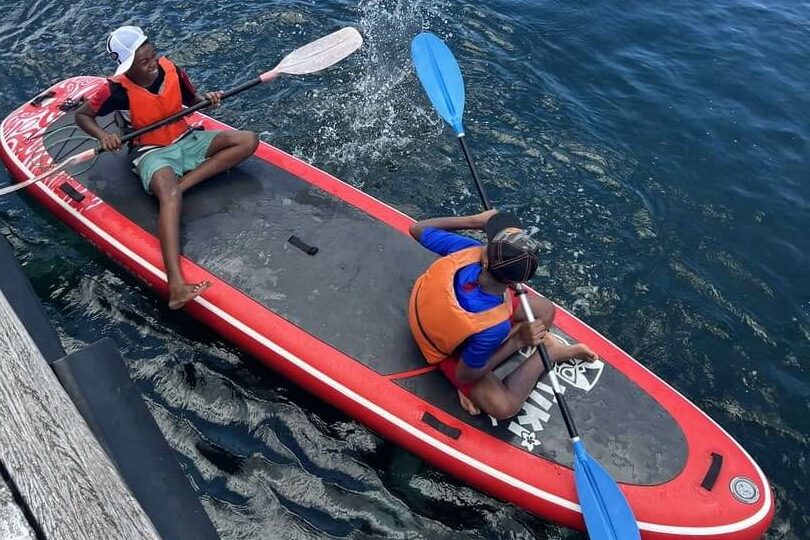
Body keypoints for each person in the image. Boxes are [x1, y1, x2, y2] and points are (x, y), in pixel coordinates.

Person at [76, 25, 258, 309]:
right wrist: (104, 135)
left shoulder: (170, 68)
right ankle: (176, 285)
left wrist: (208, 101)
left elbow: (192, 100)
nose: (152, 65)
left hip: (187, 139)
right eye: (143, 62)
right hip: (151, 151)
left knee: (247, 141)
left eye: (153, 56)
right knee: (170, 197)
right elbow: (83, 116)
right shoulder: (113, 89)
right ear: (127, 67)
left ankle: (182, 185)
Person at [408, 209, 597, 419]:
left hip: (425, 306)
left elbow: (418, 228)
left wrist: (474, 221)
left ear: (487, 261)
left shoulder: (467, 249)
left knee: (545, 310)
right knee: (505, 407)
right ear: (517, 282)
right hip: (439, 347)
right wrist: (518, 340)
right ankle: (551, 353)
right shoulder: (493, 327)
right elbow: (464, 375)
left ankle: (528, 347)